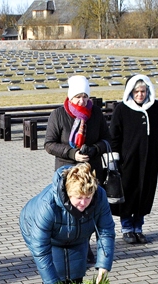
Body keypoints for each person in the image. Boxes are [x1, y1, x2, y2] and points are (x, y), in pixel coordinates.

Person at [19, 163, 115, 284]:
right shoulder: (47, 205)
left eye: (87, 198)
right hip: (43, 233)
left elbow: (106, 231)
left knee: (76, 271)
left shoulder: (100, 197)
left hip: (78, 233)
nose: (83, 203)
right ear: (69, 193)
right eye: (78, 198)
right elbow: (41, 251)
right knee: (54, 275)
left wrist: (103, 271)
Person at [44, 75, 111, 263]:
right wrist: (72, 154)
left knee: (90, 210)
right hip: (68, 172)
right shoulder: (58, 115)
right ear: (70, 97)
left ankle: (91, 246)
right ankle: (75, 248)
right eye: (77, 97)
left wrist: (95, 148)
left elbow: (108, 140)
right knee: (70, 212)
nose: (82, 101)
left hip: (91, 172)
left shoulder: (96, 113)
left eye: (85, 96)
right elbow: (49, 144)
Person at [109, 74, 158, 245]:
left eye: (143, 91)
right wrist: (113, 158)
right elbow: (114, 136)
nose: (140, 95)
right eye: (137, 91)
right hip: (127, 162)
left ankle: (138, 227)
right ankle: (127, 229)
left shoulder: (156, 108)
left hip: (150, 161)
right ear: (131, 92)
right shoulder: (121, 109)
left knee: (145, 194)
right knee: (128, 194)